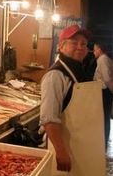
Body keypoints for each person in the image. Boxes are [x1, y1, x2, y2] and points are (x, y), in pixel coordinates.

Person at [40, 24, 106, 175]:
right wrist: (61, 152)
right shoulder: (55, 76)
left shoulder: (80, 70)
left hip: (81, 147)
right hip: (65, 151)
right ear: (61, 46)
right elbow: (49, 119)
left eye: (83, 44)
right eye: (74, 42)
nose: (80, 47)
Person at [93, 42, 113, 149]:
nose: (94, 52)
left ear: (100, 49)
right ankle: (102, 143)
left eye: (95, 50)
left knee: (103, 118)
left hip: (104, 92)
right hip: (106, 92)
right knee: (105, 117)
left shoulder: (102, 59)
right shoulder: (107, 59)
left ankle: (102, 144)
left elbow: (107, 78)